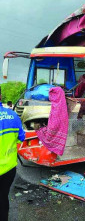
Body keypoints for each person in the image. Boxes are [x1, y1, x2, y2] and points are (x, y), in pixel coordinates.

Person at [0, 88, 25, 221]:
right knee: (3, 198)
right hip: (9, 170)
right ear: (0, 96)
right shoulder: (13, 115)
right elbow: (21, 137)